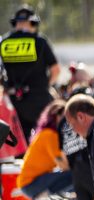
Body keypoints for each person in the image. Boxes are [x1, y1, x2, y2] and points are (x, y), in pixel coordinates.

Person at [0, 5, 60, 141]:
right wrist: (47, 85)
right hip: (39, 98)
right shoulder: (40, 41)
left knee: (18, 137)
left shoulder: (4, 42)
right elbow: (56, 70)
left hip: (14, 99)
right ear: (33, 23)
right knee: (40, 135)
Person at [17, 99, 72, 198]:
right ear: (55, 116)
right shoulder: (50, 135)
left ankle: (45, 197)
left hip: (31, 182)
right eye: (64, 117)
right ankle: (43, 197)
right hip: (31, 183)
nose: (67, 121)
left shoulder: (46, 133)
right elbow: (63, 165)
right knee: (73, 175)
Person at [59, 85, 94, 200]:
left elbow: (62, 154)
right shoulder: (90, 120)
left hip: (76, 172)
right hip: (91, 170)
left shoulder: (63, 122)